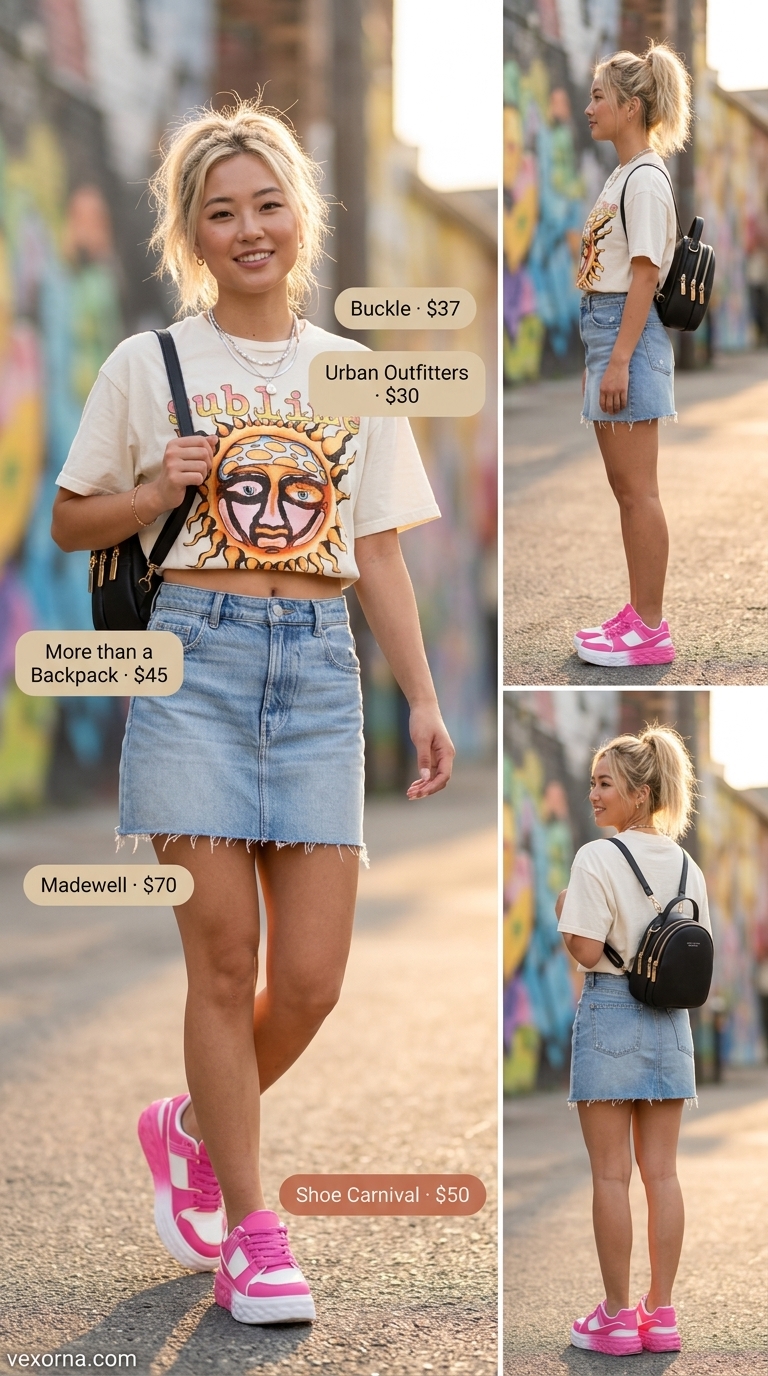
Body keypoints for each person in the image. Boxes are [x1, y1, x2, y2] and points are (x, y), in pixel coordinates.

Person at [50, 99, 454, 1326]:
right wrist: (146, 485)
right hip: (195, 667)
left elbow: (376, 548)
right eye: (220, 212)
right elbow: (73, 518)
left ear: (302, 215)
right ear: (191, 234)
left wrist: (424, 700)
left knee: (315, 979)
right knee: (225, 962)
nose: (248, 228)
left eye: (267, 204)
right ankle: (254, 1227)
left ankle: (188, 1126)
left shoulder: (351, 371)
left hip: (319, 675)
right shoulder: (147, 364)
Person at [555, 726, 711, 1355]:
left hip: (612, 1015)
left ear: (640, 794)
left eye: (605, 783)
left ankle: (618, 1319)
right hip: (673, 1025)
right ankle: (662, 1314)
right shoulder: (688, 864)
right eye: (593, 781)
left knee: (611, 1179)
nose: (593, 794)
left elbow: (588, 950)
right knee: (663, 1176)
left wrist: (567, 911)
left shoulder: (597, 857)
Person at [572, 43, 692, 667]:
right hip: (609, 333)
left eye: (599, 97)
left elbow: (644, 276)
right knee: (625, 489)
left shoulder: (644, 179)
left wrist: (618, 359)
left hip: (627, 336)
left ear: (631, 105)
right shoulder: (623, 175)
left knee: (639, 490)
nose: (588, 107)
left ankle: (649, 627)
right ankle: (637, 614)